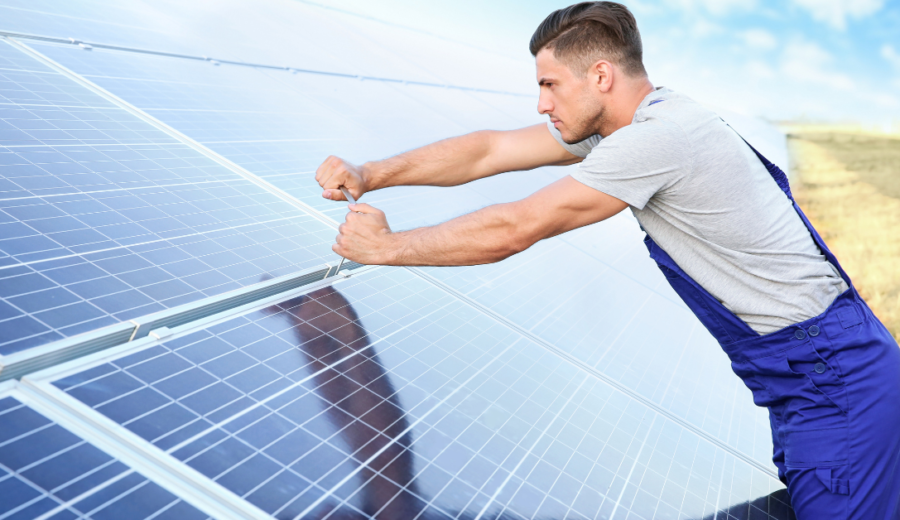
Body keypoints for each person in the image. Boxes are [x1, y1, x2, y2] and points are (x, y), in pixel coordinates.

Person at [313, 2, 900, 518]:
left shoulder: (657, 141)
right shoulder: (638, 122)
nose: (540, 103)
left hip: (831, 381)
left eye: (549, 85)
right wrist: (372, 174)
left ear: (600, 75)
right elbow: (492, 150)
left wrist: (389, 248)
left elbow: (520, 225)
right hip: (816, 375)